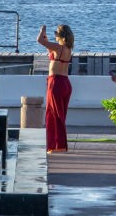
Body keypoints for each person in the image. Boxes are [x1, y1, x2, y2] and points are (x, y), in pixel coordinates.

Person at [36, 24, 74, 153]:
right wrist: (46, 40)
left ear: (61, 35)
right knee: (60, 115)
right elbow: (47, 47)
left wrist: (42, 30)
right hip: (65, 82)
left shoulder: (59, 47)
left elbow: (40, 41)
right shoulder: (67, 49)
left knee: (53, 115)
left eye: (56, 34)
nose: (55, 36)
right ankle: (58, 145)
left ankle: (57, 146)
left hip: (56, 82)